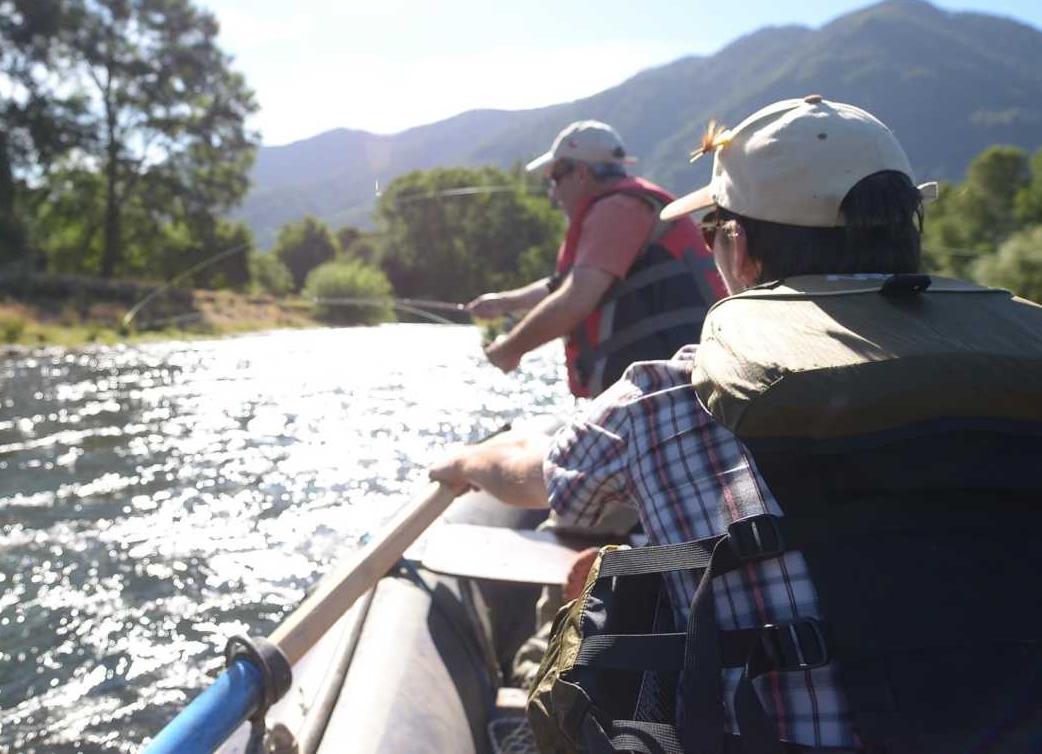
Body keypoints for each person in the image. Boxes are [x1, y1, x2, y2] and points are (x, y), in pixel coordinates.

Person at [432, 95, 1042, 752]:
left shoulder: (665, 396)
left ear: (738, 248)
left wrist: (471, 460)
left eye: (712, 232)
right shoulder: (1021, 370)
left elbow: (541, 480)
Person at [468, 119, 723, 398]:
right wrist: (503, 303)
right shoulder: (624, 207)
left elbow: (574, 300)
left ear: (580, 173)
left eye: (555, 178)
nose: (553, 192)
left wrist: (510, 350)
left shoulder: (617, 209)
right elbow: (562, 286)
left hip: (672, 392)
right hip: (676, 385)